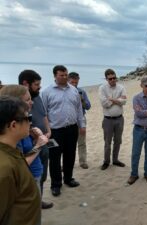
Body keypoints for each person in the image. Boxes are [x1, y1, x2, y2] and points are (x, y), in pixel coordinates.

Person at [42, 65, 85, 197]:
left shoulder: (73, 90)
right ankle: (56, 184)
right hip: (54, 131)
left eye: (66, 74)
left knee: (70, 155)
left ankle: (68, 179)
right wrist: (47, 131)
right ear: (55, 76)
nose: (65, 77)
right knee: (54, 158)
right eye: (62, 75)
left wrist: (81, 125)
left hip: (71, 129)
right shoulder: (47, 92)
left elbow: (78, 109)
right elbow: (44, 113)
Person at [0, 95, 41, 225]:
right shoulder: (4, 168)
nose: (30, 122)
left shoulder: (10, 150)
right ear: (13, 125)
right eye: (28, 118)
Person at [18, 70, 54, 209]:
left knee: (41, 174)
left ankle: (39, 200)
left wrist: (48, 130)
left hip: (42, 142)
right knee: (31, 179)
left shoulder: (37, 97)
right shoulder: (16, 107)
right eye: (37, 84)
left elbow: (44, 114)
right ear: (25, 84)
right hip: (32, 146)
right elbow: (21, 163)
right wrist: (35, 140)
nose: (39, 87)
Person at [99, 69, 127, 170]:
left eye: (114, 78)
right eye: (110, 78)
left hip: (119, 119)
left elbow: (124, 101)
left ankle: (115, 160)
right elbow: (104, 104)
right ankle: (106, 161)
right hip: (108, 120)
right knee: (107, 142)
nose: (112, 80)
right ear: (106, 79)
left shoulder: (121, 87)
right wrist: (118, 100)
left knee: (118, 141)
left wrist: (112, 99)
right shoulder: (102, 88)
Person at [68, 72, 91, 169]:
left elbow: (88, 106)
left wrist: (82, 100)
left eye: (76, 83)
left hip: (81, 118)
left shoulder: (82, 92)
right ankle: (67, 162)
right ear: (68, 81)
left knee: (81, 142)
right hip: (69, 120)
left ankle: (83, 161)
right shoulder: (65, 92)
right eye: (72, 82)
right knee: (68, 143)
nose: (74, 85)